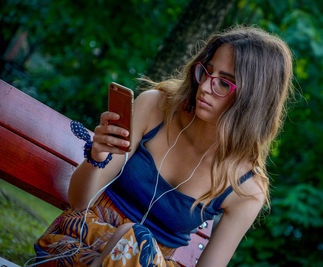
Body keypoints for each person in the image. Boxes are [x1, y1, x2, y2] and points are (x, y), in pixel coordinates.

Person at [34, 25, 293, 267]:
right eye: (206, 71)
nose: (204, 86)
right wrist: (97, 157)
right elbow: (79, 202)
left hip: (147, 262)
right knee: (132, 238)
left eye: (224, 82)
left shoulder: (246, 189)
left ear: (253, 101)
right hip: (80, 242)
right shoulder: (155, 107)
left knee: (135, 243)